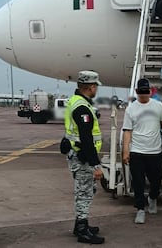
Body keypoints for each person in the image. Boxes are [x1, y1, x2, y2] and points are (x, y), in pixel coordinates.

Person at [64, 70, 105, 244]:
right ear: (91, 87)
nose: (97, 89)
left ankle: (80, 224)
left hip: (78, 153)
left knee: (85, 191)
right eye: (96, 86)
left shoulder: (76, 102)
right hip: (83, 157)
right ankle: (82, 230)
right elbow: (87, 139)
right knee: (84, 193)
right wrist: (96, 165)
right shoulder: (82, 108)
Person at [122, 78, 162, 224]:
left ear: (150, 91)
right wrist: (125, 151)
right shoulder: (131, 109)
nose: (143, 94)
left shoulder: (159, 106)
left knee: (158, 178)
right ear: (137, 92)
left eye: (146, 91)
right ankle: (140, 209)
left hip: (155, 151)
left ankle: (153, 197)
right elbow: (127, 131)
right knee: (138, 182)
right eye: (140, 92)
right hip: (137, 151)